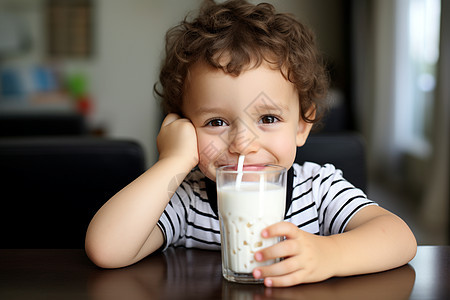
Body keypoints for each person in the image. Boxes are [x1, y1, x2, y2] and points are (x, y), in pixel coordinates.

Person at [85, 0, 417, 287]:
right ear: (185, 127)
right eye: (216, 122)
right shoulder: (186, 199)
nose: (243, 144)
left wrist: (327, 255)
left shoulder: (318, 190)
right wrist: (173, 161)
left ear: (302, 125)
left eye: (268, 119)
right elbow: (106, 250)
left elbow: (399, 238)